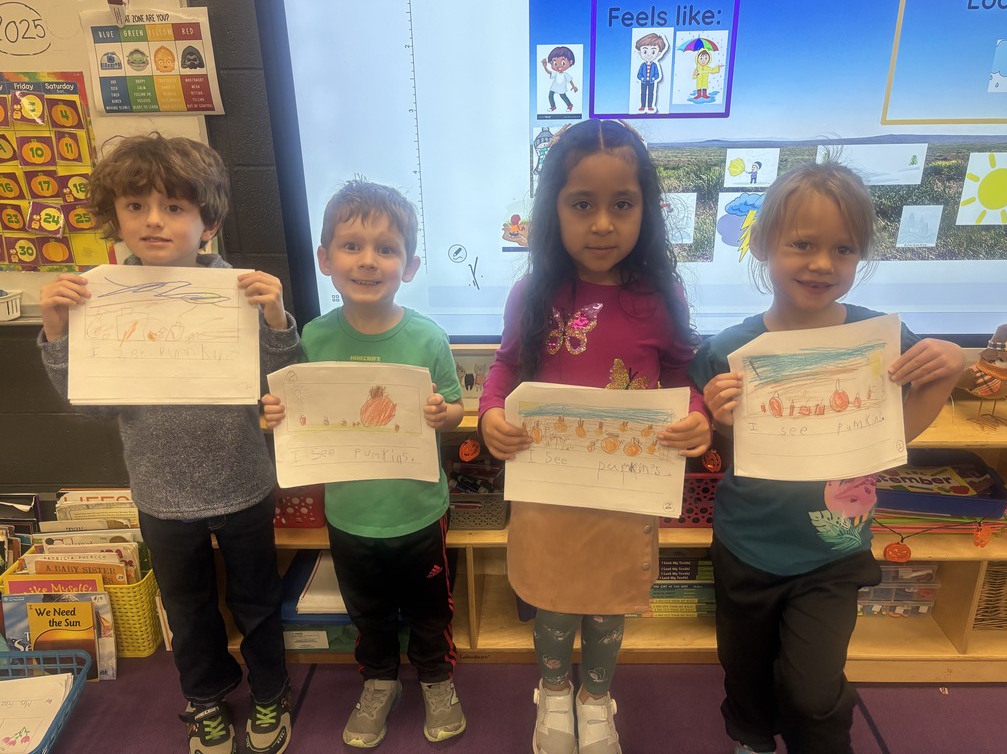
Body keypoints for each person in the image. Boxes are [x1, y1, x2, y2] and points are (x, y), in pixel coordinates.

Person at [37, 134, 300, 754]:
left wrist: (277, 320)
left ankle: (270, 691)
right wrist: (55, 329)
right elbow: (95, 408)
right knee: (186, 610)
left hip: (243, 482)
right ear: (116, 216)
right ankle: (205, 697)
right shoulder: (98, 296)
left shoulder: (240, 289)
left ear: (209, 223)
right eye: (136, 206)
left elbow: (280, 387)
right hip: (160, 492)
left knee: (258, 601)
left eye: (175, 207)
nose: (154, 220)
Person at [690, 162, 964, 754]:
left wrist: (948, 371)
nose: (822, 263)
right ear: (762, 246)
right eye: (802, 244)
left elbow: (895, 435)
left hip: (833, 552)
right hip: (747, 545)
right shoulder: (728, 349)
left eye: (843, 249)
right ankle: (751, 738)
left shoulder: (879, 340)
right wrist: (719, 419)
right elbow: (720, 444)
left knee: (813, 689)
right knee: (744, 666)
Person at [478, 119, 712, 754]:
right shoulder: (532, 292)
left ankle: (596, 697)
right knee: (553, 599)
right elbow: (504, 364)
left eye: (622, 204)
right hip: (548, 490)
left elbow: (680, 372)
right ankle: (554, 692)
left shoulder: (660, 296)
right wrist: (490, 413)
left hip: (624, 491)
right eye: (583, 204)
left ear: (646, 210)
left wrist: (696, 414)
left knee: (610, 601)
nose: (603, 224)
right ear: (553, 209)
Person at [260, 180, 466, 749]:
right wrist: (276, 411)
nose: (369, 260)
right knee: (367, 612)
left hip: (419, 511)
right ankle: (379, 682)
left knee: (430, 610)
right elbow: (296, 409)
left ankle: (436, 678)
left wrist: (442, 412)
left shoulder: (427, 338)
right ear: (325, 259)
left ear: (411, 266)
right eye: (352, 246)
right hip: (350, 516)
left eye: (386, 248)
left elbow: (454, 408)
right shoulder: (314, 338)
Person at [634, 32, 667, 113]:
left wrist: (654, 78)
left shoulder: (655, 65)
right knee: (643, 93)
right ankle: (643, 106)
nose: (649, 55)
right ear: (639, 52)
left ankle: (650, 106)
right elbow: (639, 74)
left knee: (651, 94)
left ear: (659, 53)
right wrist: (641, 78)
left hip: (651, 82)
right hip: (644, 82)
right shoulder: (642, 65)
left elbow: (657, 74)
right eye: (645, 51)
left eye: (653, 52)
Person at [541, 46, 579, 113]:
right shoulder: (555, 73)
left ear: (570, 62)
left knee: (563, 96)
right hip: (554, 87)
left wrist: (574, 86)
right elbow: (549, 72)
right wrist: (545, 67)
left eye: (563, 63)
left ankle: (569, 105)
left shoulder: (565, 74)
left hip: (561, 88)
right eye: (555, 63)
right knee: (550, 96)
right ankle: (553, 107)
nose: (558, 66)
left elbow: (570, 80)